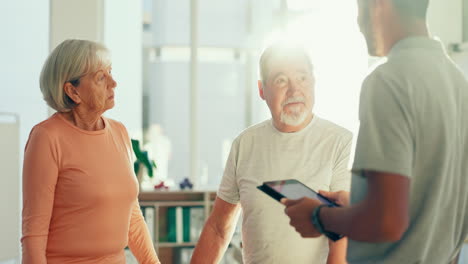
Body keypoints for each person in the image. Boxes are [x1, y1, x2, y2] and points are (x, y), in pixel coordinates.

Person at [282, 0, 468, 263]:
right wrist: (359, 205)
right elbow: (430, 206)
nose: (359, 24)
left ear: (378, 4)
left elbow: (387, 221)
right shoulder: (458, 82)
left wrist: (319, 217)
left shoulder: (389, 80)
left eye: (360, 8)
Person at [191, 43, 353, 264]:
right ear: (261, 90)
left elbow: (343, 237)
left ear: (314, 82)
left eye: (302, 78)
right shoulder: (245, 145)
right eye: (281, 80)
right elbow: (219, 228)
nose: (294, 90)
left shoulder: (341, 142)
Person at [21, 39, 160, 264]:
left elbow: (132, 217)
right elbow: (33, 233)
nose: (113, 83)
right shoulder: (46, 138)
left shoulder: (119, 132)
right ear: (72, 91)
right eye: (101, 77)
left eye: (110, 72)